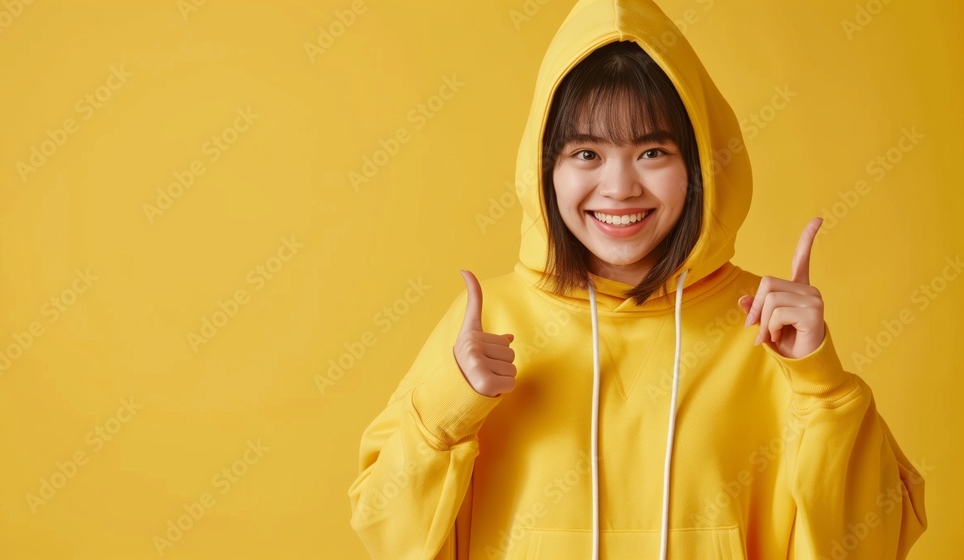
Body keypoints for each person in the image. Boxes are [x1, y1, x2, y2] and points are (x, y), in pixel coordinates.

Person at [348, 0, 927, 558]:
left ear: (699, 165)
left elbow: (871, 543)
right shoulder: (489, 323)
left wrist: (822, 385)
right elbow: (383, 528)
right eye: (586, 154)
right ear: (545, 168)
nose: (620, 188)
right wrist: (451, 409)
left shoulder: (769, 329)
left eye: (652, 151)